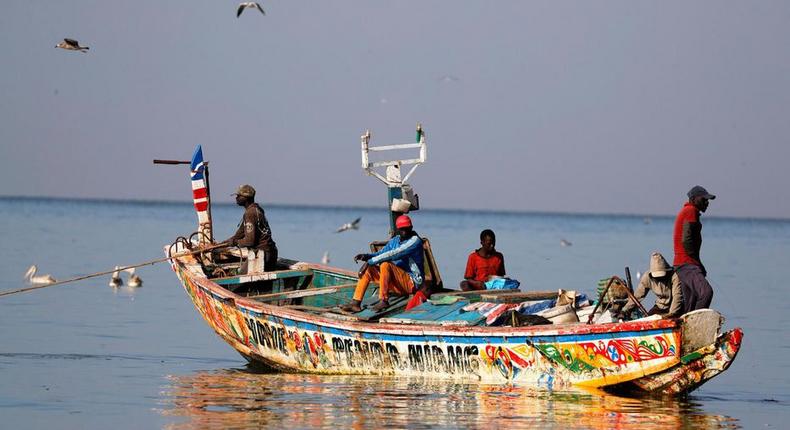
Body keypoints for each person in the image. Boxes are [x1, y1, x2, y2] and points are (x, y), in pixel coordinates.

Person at [340, 215, 424, 312]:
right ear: (397, 229)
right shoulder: (395, 240)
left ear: (411, 228)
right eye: (401, 229)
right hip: (396, 283)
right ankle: (356, 303)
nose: (404, 232)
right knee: (369, 270)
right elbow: (381, 253)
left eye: (406, 229)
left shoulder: (415, 241)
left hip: (411, 283)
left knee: (385, 264)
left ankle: (384, 300)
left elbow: (394, 254)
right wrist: (366, 256)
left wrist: (369, 262)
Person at [673, 185, 715, 313]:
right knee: (706, 292)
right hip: (686, 264)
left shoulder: (688, 211)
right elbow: (687, 240)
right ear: (694, 199)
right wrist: (696, 263)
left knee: (691, 304)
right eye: (704, 199)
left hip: (682, 264)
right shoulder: (690, 211)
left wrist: (699, 264)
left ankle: (686, 330)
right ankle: (696, 326)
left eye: (708, 200)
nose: (707, 203)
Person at [224, 184, 278, 273]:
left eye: (238, 196)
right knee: (263, 285)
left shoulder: (250, 213)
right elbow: (240, 233)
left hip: (262, 254)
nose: (236, 198)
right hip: (271, 251)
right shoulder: (256, 209)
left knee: (239, 282)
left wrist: (235, 242)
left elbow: (250, 241)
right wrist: (224, 243)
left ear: (246, 198)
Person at [620, 252, 684, 318]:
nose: (659, 279)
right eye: (657, 277)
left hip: (675, 307)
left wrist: (671, 314)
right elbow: (637, 296)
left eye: (661, 276)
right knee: (647, 320)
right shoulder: (647, 277)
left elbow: (677, 296)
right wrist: (625, 310)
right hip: (660, 306)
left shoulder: (674, 276)